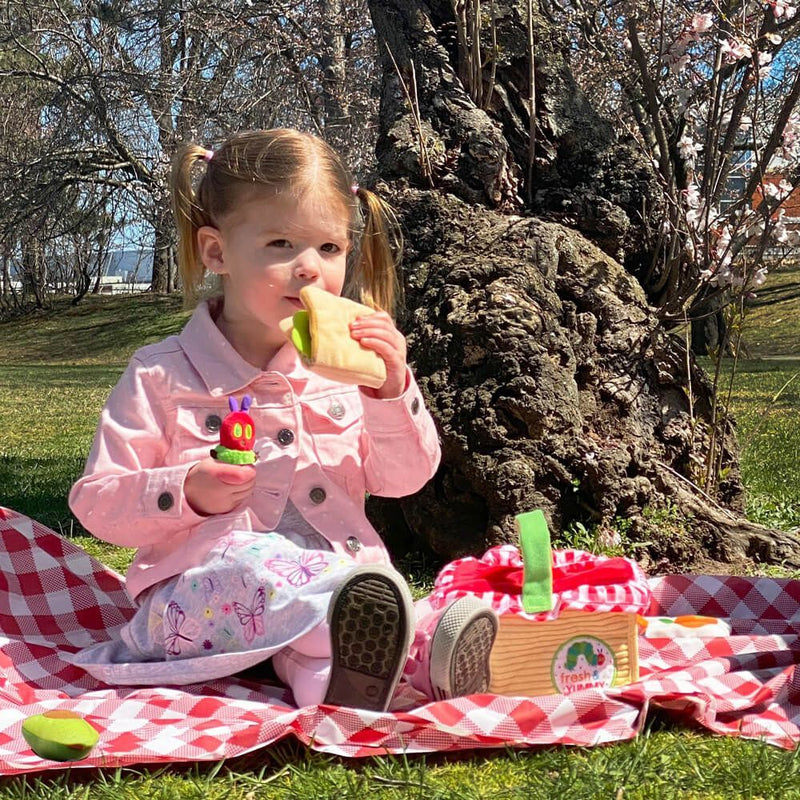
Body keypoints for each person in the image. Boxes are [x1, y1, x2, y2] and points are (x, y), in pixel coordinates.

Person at [68, 128, 498, 711]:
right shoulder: (161, 375)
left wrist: (391, 392)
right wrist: (187, 491)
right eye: (279, 244)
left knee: (369, 592)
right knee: (268, 568)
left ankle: (366, 673)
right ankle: (369, 634)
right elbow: (97, 503)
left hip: (338, 581)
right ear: (217, 252)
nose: (309, 270)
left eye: (330, 248)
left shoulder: (347, 371)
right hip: (198, 599)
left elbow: (405, 479)